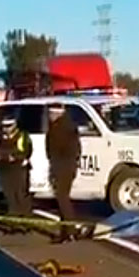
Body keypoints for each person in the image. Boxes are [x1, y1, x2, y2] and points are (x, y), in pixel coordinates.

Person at [45, 103, 80, 242]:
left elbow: (55, 151)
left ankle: (70, 231)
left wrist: (55, 169)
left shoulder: (59, 129)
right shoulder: (68, 126)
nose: (49, 116)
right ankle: (66, 231)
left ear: (56, 113)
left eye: (50, 113)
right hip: (67, 166)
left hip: (62, 167)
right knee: (62, 199)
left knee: (62, 199)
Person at [0, 115, 33, 220]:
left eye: (9, 126)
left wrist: (6, 156)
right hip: (5, 169)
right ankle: (14, 221)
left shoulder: (22, 136)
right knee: (9, 195)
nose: (6, 129)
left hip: (19, 169)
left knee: (21, 195)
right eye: (4, 126)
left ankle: (26, 220)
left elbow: (25, 152)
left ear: (15, 125)